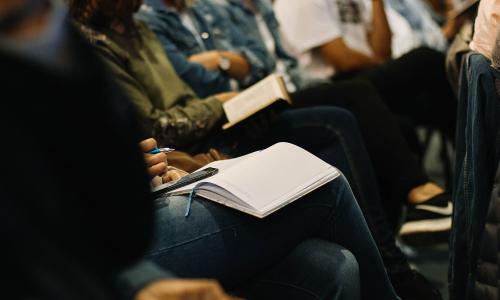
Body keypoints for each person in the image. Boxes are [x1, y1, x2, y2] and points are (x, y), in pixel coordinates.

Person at [274, 0, 457, 140]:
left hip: (370, 74)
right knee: (425, 59)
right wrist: (382, 64)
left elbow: (383, 51)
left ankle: (472, 162)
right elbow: (344, 61)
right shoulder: (299, 3)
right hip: (334, 86)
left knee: (432, 102)